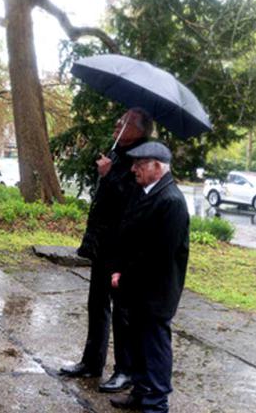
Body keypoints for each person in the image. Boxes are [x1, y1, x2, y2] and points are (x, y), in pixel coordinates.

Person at [59, 108, 153, 393]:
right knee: (96, 303)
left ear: (138, 129)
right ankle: (91, 361)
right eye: (119, 121)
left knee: (122, 310)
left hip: (123, 247)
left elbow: (134, 199)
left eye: (123, 122)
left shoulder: (144, 157)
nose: (117, 124)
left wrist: (110, 175)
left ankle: (125, 370)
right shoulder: (116, 153)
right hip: (103, 243)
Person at [109, 141, 189, 413]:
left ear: (158, 167)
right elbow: (130, 235)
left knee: (155, 346)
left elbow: (158, 254)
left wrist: (125, 275)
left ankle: (156, 402)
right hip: (139, 288)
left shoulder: (171, 201)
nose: (133, 169)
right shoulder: (146, 192)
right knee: (139, 343)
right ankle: (141, 392)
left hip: (156, 290)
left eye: (140, 165)